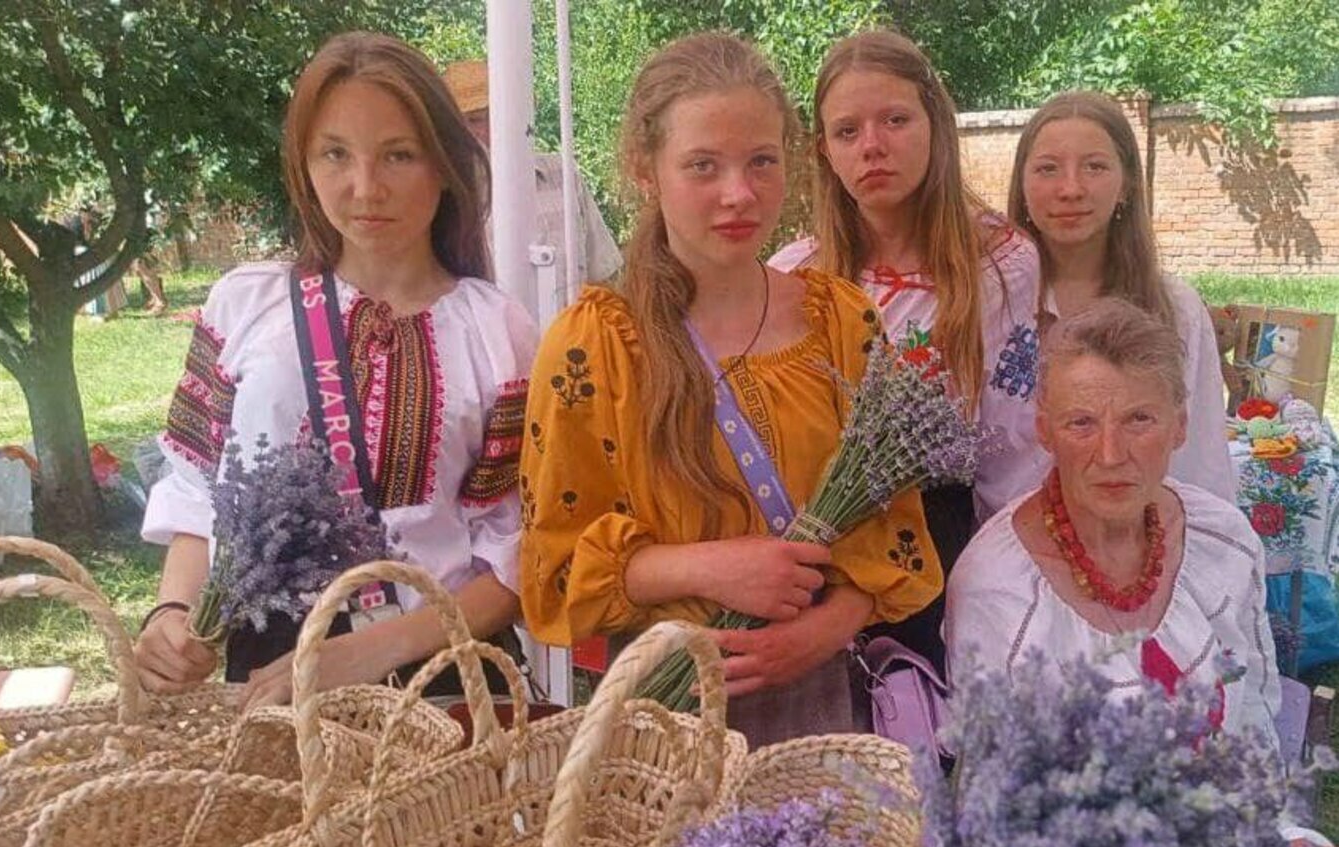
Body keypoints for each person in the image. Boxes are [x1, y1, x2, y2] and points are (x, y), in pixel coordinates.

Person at [520, 33, 941, 748]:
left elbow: (892, 528)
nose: (738, 194)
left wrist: (816, 635)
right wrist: (708, 568)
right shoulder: (594, 346)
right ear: (645, 170)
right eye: (702, 166)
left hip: (824, 716)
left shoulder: (842, 322)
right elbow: (553, 568)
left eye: (761, 161)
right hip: (664, 725)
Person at [136, 32, 536, 709]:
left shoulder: (495, 332)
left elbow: (519, 555)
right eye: (335, 154)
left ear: (444, 165)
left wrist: (372, 649)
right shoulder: (248, 306)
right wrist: (172, 615)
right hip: (269, 670)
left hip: (442, 675)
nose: (365, 188)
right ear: (303, 164)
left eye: (398, 155)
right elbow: (198, 489)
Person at [769, 28, 1046, 674]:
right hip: (818, 546)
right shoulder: (794, 276)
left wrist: (1004, 583)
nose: (872, 145)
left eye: (895, 120)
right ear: (824, 150)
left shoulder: (998, 264)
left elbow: (1010, 445)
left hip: (942, 543)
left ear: (934, 125)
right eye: (847, 131)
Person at [944, 298, 1279, 741]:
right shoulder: (998, 589)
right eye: (1081, 423)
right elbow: (993, 769)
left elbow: (1256, 708)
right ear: (1045, 432)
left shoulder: (1224, 541)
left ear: (1179, 426)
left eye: (1138, 419)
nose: (1110, 454)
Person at [1008, 91, 1235, 502]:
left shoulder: (1176, 309)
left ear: (1127, 183)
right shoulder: (988, 302)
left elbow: (1203, 465)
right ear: (1022, 184)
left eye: (1094, 166)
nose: (1070, 188)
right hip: (1005, 532)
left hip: (1139, 535)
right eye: (1047, 168)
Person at [444, 58, 623, 317]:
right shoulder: (450, 197)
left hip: (575, 337)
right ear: (453, 130)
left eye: (501, 114)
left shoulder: (562, 173)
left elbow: (604, 274)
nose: (493, 129)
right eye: (476, 120)